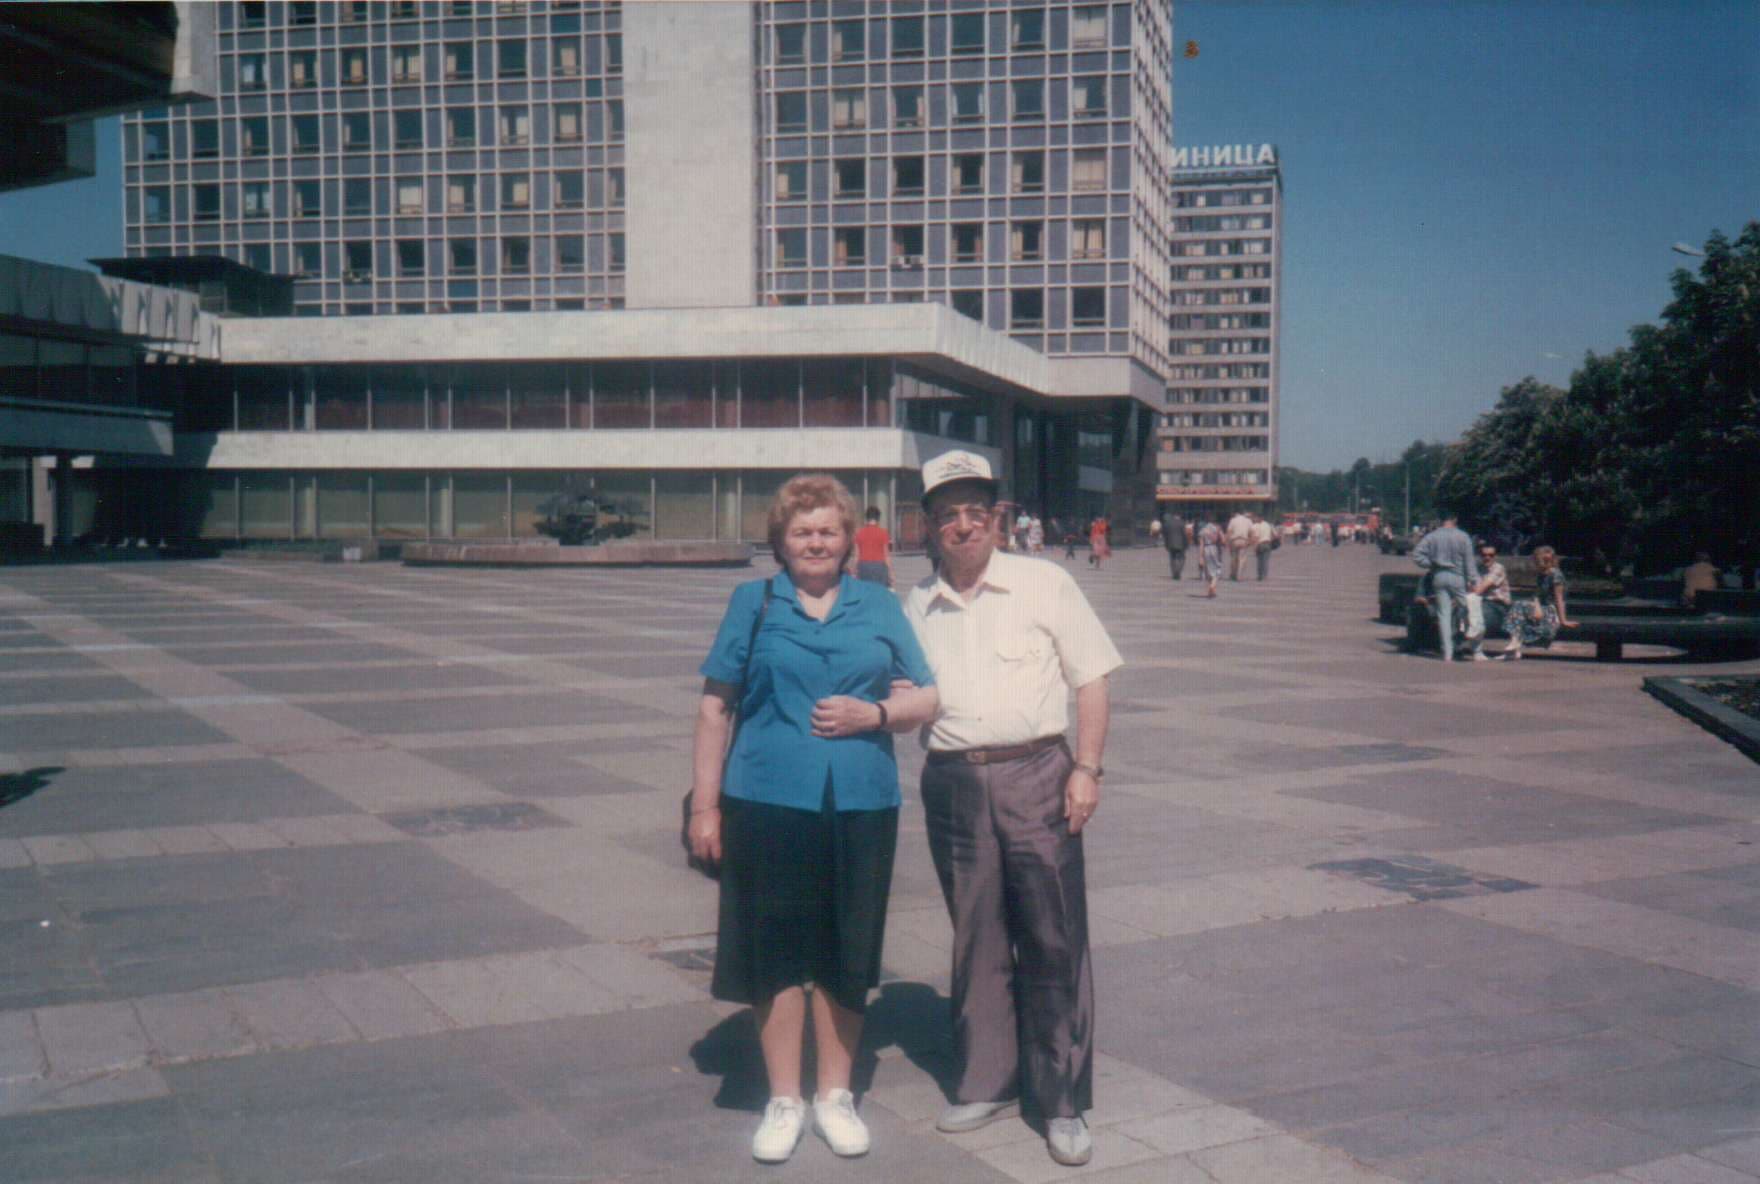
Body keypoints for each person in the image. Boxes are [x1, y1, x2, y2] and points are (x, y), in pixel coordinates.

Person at [689, 474, 940, 1164]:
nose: (816, 543)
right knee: (774, 947)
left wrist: (878, 714)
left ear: (848, 538)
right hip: (765, 799)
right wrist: (705, 805)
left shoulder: (880, 605)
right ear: (781, 541)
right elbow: (716, 708)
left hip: (861, 799)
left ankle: (834, 1096)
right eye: (802, 531)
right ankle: (784, 1099)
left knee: (846, 948)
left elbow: (930, 696)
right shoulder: (754, 603)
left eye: (828, 530)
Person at [903, 450, 1122, 1169]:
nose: (963, 527)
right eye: (947, 515)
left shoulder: (1044, 583)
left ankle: (1061, 1100)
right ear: (930, 527)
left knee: (1053, 933)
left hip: (1039, 772)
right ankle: (986, 1080)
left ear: (997, 517)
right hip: (954, 781)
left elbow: (1091, 680)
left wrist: (1086, 768)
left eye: (975, 511)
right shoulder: (916, 604)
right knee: (977, 934)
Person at [1411, 514, 1480, 663]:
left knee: (1444, 615)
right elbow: (1469, 562)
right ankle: (1473, 644)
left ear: (1442, 521)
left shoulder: (1432, 536)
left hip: (1439, 576)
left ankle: (1447, 653)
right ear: (1455, 520)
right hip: (1458, 577)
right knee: (1469, 608)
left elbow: (1417, 555)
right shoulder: (1463, 537)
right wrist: (1474, 580)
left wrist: (1430, 564)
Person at [1499, 544, 1578, 659]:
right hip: (1541, 608)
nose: (1535, 563)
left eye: (1537, 560)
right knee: (1519, 606)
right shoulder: (1542, 575)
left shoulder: (1556, 575)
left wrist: (1563, 620)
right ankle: (1514, 647)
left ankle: (1515, 643)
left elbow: (1559, 599)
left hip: (1551, 612)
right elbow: (1537, 595)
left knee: (1518, 605)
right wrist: (1536, 606)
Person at [1464, 540, 1512, 661]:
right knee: (1462, 608)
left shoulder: (1498, 568)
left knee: (1477, 613)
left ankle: (1477, 650)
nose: (1487, 557)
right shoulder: (1477, 569)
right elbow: (1470, 588)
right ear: (1480, 556)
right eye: (1484, 555)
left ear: (1495, 556)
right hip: (1481, 602)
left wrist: (1473, 589)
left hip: (1498, 606)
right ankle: (1458, 645)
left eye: (1491, 555)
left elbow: (1479, 589)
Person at [852, 506, 893, 588]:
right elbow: (886, 555)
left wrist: (854, 571)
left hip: (863, 566)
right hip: (879, 566)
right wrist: (891, 573)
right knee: (880, 591)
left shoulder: (859, 533)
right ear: (878, 518)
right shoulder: (883, 533)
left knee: (864, 591)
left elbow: (856, 555)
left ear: (866, 518)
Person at [1197, 515, 1225, 598]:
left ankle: (1211, 591)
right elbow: (1223, 540)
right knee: (1217, 569)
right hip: (1214, 548)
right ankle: (1212, 586)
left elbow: (1201, 544)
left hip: (1206, 549)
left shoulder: (1203, 530)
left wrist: (1200, 557)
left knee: (1208, 570)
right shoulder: (1217, 528)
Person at [1226, 509, 1253, 580]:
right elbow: (1251, 532)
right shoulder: (1248, 520)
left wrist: (1228, 542)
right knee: (1242, 559)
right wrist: (1249, 542)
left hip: (1235, 540)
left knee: (1233, 558)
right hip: (1244, 540)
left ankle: (1233, 574)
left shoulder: (1233, 520)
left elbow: (1229, 531)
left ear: (1236, 513)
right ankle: (1239, 575)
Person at [1162, 509, 1188, 580]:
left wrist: (1166, 544)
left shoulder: (1168, 523)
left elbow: (1165, 535)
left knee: (1172, 558)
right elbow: (1184, 535)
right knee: (1182, 558)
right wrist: (1186, 544)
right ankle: (1178, 571)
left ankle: (1174, 573)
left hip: (1171, 544)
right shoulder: (1182, 523)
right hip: (1180, 544)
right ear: (1180, 516)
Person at [1250, 512, 1275, 581]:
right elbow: (1274, 535)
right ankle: (1265, 576)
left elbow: (1255, 537)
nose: (1254, 519)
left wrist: (1254, 547)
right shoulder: (1268, 525)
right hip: (1267, 543)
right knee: (1266, 561)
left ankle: (1260, 575)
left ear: (1258, 518)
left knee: (1259, 561)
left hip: (1259, 544)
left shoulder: (1255, 526)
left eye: (1255, 517)